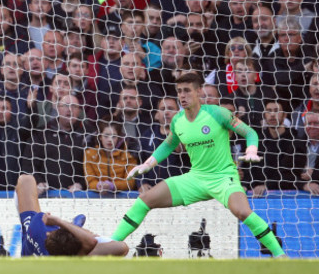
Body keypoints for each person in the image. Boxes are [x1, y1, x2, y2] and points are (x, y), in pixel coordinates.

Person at [111, 73, 286, 258]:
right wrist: (147, 164)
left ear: (199, 91)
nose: (182, 96)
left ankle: (281, 257)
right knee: (145, 200)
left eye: (187, 90)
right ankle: (110, 246)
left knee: (242, 211)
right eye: (179, 91)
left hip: (223, 177)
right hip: (196, 178)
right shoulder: (178, 120)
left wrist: (251, 150)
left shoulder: (217, 113)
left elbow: (250, 133)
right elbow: (170, 144)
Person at [15, 173, 129, 256]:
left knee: (26, 180)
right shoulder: (76, 263)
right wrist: (63, 223)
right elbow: (121, 247)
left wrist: (60, 222)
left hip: (29, 251)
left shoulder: (37, 226)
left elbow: (90, 241)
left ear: (49, 233)